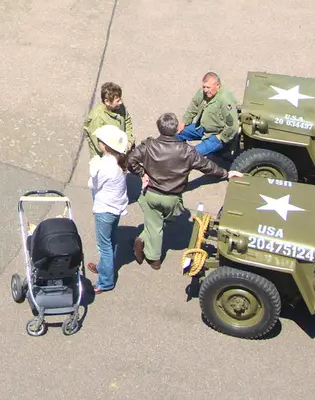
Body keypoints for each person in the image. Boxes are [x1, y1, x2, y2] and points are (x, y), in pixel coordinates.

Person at [127, 113, 242, 269]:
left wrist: (142, 174)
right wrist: (226, 174)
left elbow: (131, 160)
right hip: (173, 198)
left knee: (155, 226)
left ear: (159, 128)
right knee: (159, 224)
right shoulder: (188, 151)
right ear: (176, 129)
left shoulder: (148, 146)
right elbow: (206, 166)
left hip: (151, 194)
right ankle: (149, 252)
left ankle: (148, 251)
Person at [87, 125, 130, 294]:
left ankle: (105, 281)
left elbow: (92, 184)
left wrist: (93, 166)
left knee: (104, 245)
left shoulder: (106, 166)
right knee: (112, 240)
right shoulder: (120, 161)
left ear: (106, 145)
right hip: (116, 207)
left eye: (100, 141)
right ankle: (105, 267)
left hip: (104, 210)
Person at [180, 71, 240, 158]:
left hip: (215, 134)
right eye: (204, 87)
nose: (205, 90)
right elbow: (194, 106)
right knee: (177, 133)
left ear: (218, 85)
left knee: (191, 155)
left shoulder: (226, 100)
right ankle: (176, 154)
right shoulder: (203, 92)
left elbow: (232, 126)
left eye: (208, 87)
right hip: (201, 128)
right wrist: (184, 121)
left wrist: (220, 137)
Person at [84, 82, 134, 158]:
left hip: (120, 150)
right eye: (117, 101)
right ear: (107, 101)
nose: (121, 102)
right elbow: (100, 146)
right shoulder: (97, 118)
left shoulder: (119, 106)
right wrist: (118, 154)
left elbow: (127, 121)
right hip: (104, 158)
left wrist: (129, 141)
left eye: (120, 99)